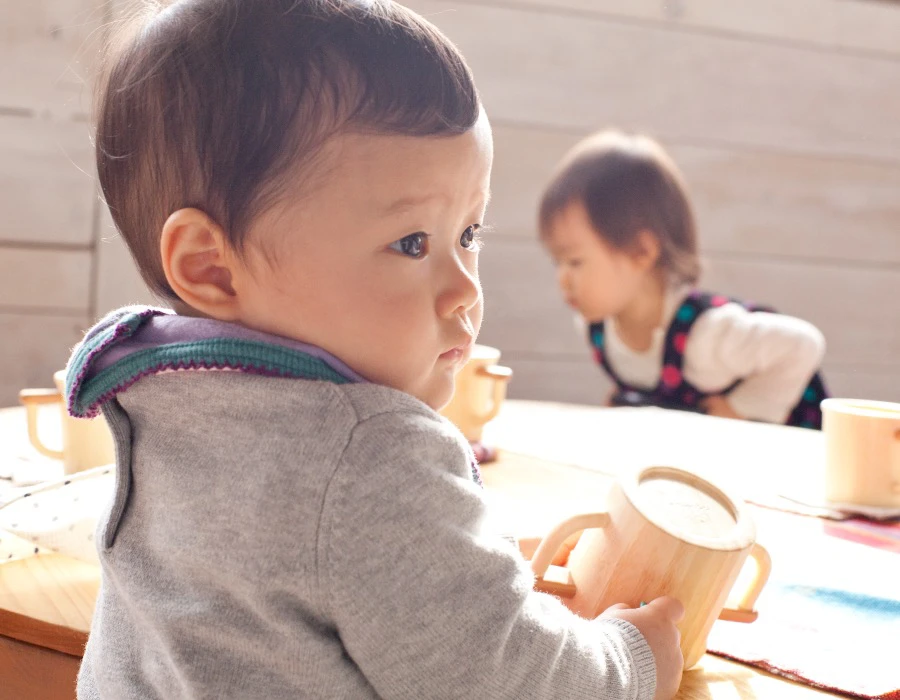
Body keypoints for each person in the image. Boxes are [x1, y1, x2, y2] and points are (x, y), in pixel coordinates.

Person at [68, 2, 684, 698]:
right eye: (411, 243)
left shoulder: (154, 392)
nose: (464, 291)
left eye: (469, 235)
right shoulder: (371, 455)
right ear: (210, 266)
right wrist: (634, 656)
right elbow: (508, 681)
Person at [538, 130, 828, 429]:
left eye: (574, 261)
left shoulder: (708, 337)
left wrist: (740, 409)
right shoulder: (597, 327)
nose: (563, 279)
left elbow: (803, 345)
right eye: (556, 262)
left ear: (642, 251)